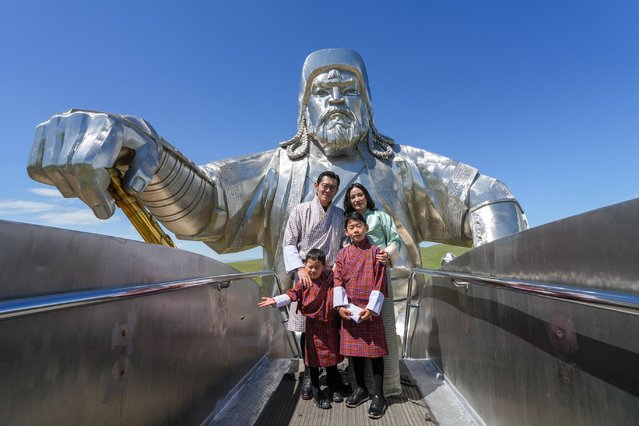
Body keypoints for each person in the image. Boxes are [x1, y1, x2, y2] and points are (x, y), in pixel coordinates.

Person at [27, 48, 528, 356]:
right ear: (303, 109)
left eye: (348, 89)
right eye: (323, 90)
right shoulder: (274, 170)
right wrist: (148, 154)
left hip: (402, 328)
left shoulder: (402, 165)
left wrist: (496, 279)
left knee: (381, 373)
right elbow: (209, 209)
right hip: (299, 329)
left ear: (368, 105)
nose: (335, 98)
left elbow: (487, 195)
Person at [282, 171, 345, 399]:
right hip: (307, 276)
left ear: (337, 190)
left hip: (329, 278)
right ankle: (309, 374)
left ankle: (333, 374)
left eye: (333, 187)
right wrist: (299, 269)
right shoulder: (300, 211)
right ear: (316, 186)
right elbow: (289, 242)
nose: (328, 190)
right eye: (325, 185)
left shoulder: (339, 214)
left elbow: (345, 243)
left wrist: (339, 265)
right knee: (307, 327)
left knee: (330, 328)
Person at [259, 249, 346, 409]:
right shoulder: (303, 283)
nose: (313, 270)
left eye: (317, 267)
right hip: (313, 327)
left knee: (332, 356)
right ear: (305, 266)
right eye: (310, 267)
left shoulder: (329, 278)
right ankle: (316, 391)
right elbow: (292, 294)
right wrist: (275, 300)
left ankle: (334, 386)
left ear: (324, 267)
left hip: (329, 326)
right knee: (313, 360)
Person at [343, 182, 402, 396]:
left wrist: (386, 253)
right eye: (352, 197)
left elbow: (395, 240)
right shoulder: (348, 222)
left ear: (366, 196)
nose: (357, 199)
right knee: (356, 330)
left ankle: (385, 387)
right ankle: (358, 385)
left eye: (360, 195)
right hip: (355, 281)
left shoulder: (381, 217)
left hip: (378, 273)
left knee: (381, 329)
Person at [333, 211, 389, 419]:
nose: (355, 230)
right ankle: (362, 389)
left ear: (366, 227)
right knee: (354, 352)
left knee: (375, 353)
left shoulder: (376, 253)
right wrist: (339, 306)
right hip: (349, 309)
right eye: (351, 227)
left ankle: (379, 395)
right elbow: (337, 280)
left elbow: (380, 281)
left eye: (359, 225)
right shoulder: (342, 255)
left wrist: (372, 308)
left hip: (369, 310)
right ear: (346, 232)